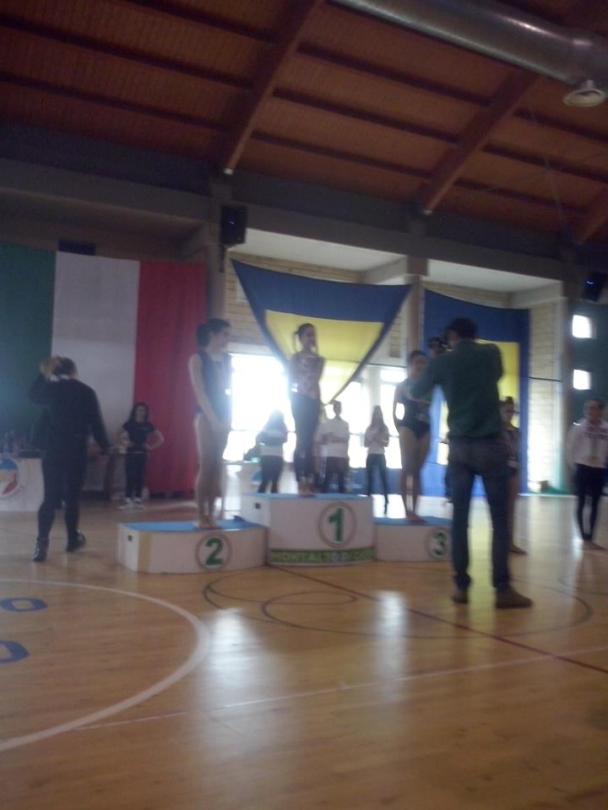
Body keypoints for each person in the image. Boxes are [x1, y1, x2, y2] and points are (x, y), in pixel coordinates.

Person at [411, 317, 532, 609]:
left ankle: (461, 587)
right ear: (475, 334)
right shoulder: (491, 353)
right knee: (499, 521)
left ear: (451, 335)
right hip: (491, 445)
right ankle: (502, 589)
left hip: (459, 448)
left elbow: (416, 391)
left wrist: (437, 360)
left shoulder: (442, 362)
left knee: (460, 520)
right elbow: (497, 374)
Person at [29, 356, 110, 562]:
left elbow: (32, 395)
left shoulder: (51, 390)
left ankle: (41, 544)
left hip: (53, 451)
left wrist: (43, 373)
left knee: (49, 498)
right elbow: (97, 424)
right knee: (72, 498)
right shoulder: (86, 392)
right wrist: (106, 448)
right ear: (74, 371)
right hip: (76, 451)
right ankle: (72, 539)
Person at [188, 319, 231, 528]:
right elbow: (200, 392)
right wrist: (213, 419)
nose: (227, 338)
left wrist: (228, 418)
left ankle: (211, 514)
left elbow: (228, 390)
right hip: (205, 415)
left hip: (224, 412)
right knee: (206, 464)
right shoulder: (197, 358)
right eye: (225, 334)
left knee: (216, 464)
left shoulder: (227, 359)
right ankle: (200, 514)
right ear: (213, 335)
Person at [393, 350, 431, 522]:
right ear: (410, 365)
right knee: (407, 467)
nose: (421, 365)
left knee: (417, 471)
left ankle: (414, 510)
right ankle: (406, 509)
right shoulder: (402, 386)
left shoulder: (429, 386)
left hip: (425, 427)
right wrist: (399, 428)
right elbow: (394, 410)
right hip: (408, 426)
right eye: (418, 362)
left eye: (424, 362)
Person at [567, 399, 608, 549]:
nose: (590, 411)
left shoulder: (606, 428)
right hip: (583, 468)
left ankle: (591, 538)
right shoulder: (579, 428)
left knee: (596, 504)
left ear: (600, 411)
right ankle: (583, 538)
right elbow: (570, 448)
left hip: (598, 469)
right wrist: (574, 468)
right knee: (581, 502)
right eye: (587, 408)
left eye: (593, 408)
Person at [289, 323, 325, 495]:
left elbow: (315, 380)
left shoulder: (320, 360)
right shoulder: (294, 358)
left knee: (310, 442)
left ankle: (310, 479)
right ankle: (300, 478)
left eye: (313, 335)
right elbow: (291, 380)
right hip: (299, 400)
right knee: (301, 440)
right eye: (308, 335)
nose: (311, 338)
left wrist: (319, 404)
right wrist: (292, 400)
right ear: (301, 338)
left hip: (313, 401)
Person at [117, 402, 164, 509]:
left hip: (143, 454)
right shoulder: (129, 423)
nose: (141, 412)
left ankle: (138, 499)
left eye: (143, 410)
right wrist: (125, 443)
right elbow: (117, 434)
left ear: (146, 412)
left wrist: (151, 447)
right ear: (135, 411)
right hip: (130, 453)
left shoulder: (148, 425)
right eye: (139, 410)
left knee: (140, 477)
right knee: (130, 476)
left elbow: (161, 438)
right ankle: (127, 499)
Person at [501, 397, 527, 555]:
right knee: (500, 509)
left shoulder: (517, 432)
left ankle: (510, 542)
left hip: (513, 471)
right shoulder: (496, 431)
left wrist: (519, 473)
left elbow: (517, 454)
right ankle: (500, 542)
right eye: (507, 411)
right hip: (499, 472)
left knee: (511, 509)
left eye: (512, 411)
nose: (510, 414)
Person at [317, 400, 350, 493]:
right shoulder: (329, 423)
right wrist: (340, 439)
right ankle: (323, 498)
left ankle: (342, 500)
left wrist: (337, 439)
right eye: (336, 407)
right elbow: (330, 438)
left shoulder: (345, 424)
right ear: (334, 409)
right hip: (332, 454)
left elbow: (346, 439)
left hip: (342, 455)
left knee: (341, 480)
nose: (338, 409)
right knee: (327, 479)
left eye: (339, 407)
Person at [364, 406, 390, 514]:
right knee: (369, 478)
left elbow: (387, 443)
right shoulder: (369, 428)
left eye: (379, 413)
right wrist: (372, 439)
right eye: (375, 413)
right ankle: (368, 499)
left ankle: (386, 499)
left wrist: (378, 439)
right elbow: (365, 444)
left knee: (383, 478)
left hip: (380, 455)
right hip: (371, 454)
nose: (377, 415)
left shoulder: (385, 428)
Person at [257, 411, 288, 494]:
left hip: (267, 455)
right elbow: (283, 439)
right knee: (272, 482)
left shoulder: (267, 427)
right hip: (276, 456)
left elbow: (261, 438)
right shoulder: (282, 427)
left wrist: (269, 439)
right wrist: (276, 440)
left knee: (266, 481)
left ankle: (261, 499)